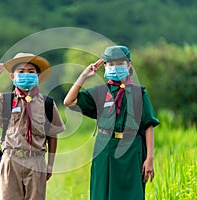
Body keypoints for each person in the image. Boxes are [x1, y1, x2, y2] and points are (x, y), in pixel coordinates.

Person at [64, 45, 160, 200]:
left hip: (132, 149)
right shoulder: (99, 92)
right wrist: (83, 76)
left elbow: (148, 125)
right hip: (105, 148)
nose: (115, 67)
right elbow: (69, 101)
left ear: (129, 65)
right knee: (102, 193)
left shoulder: (139, 93)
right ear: (105, 66)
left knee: (132, 194)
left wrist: (149, 159)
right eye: (110, 64)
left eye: (120, 63)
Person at [0, 53, 66, 200]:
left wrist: (50, 164)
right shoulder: (5, 100)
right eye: (21, 72)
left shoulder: (47, 103)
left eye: (31, 72)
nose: (26, 75)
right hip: (11, 160)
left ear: (38, 76)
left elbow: (53, 135)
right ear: (13, 77)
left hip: (36, 161)